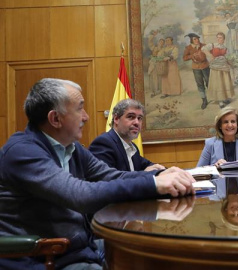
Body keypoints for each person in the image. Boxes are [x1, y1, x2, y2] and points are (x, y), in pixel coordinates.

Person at [0, 78, 195, 270]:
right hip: (45, 258)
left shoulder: (72, 148)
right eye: (79, 108)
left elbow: (113, 176)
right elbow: (81, 195)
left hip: (80, 247)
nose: (86, 116)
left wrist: (161, 175)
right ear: (55, 119)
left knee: (152, 254)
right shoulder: (22, 151)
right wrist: (153, 184)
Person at [89, 99, 164, 172]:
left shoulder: (132, 147)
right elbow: (109, 180)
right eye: (131, 117)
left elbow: (149, 166)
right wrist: (143, 175)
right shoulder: (104, 143)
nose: (137, 122)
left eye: (139, 118)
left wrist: (167, 171)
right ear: (116, 119)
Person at [202, 32, 235, 108]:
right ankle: (220, 101)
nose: (218, 39)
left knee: (225, 83)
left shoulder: (225, 48)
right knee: (219, 84)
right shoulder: (213, 45)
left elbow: (228, 58)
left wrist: (232, 64)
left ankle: (225, 98)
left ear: (223, 39)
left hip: (224, 67)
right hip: (215, 68)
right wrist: (210, 55)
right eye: (218, 37)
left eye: (220, 38)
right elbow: (203, 49)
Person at [183, 33, 210, 109]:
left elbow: (210, 53)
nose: (197, 40)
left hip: (205, 66)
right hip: (196, 68)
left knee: (209, 82)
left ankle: (214, 96)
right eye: (195, 39)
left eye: (198, 38)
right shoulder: (188, 48)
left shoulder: (204, 45)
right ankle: (204, 100)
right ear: (191, 40)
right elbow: (184, 58)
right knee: (200, 84)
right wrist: (192, 56)